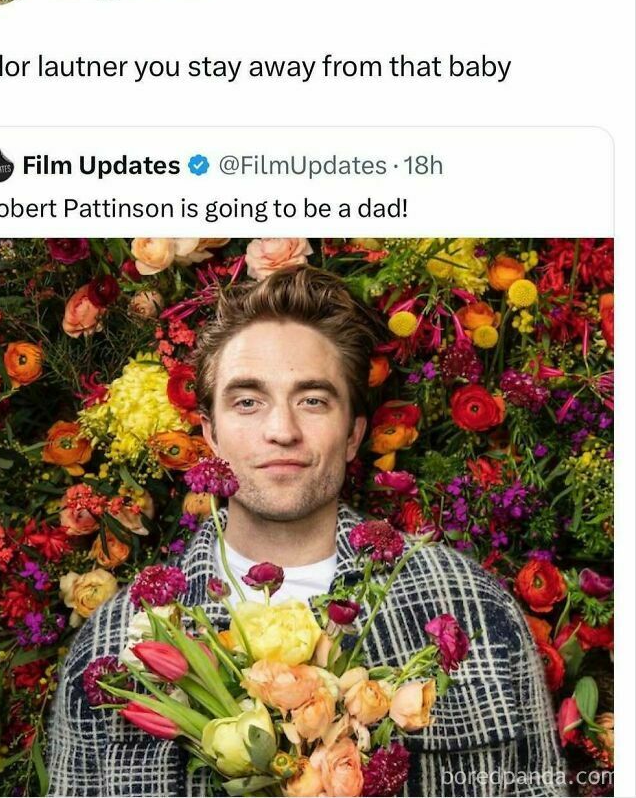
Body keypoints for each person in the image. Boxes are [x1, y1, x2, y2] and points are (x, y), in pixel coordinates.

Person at [47, 265, 567, 796]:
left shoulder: (473, 611)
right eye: (248, 401)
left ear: (352, 435)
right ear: (211, 435)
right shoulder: (114, 646)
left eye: (313, 400)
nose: (282, 430)